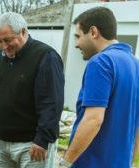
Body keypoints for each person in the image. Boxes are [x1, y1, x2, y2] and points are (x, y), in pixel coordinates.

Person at [0, 12, 64, 167]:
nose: (3, 46)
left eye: (8, 40)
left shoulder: (45, 57)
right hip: (3, 143)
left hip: (32, 145)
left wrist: (43, 138)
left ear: (23, 31)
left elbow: (52, 103)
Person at [59, 7, 139, 168]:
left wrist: (66, 162)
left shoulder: (101, 62)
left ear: (93, 32)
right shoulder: (135, 65)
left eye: (78, 36)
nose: (76, 44)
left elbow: (93, 119)